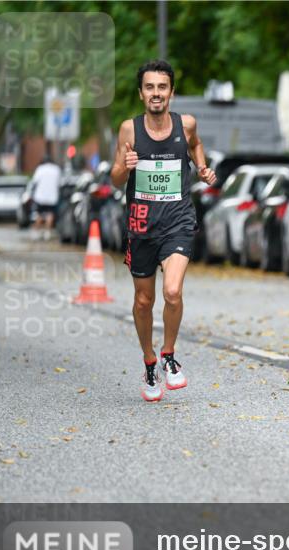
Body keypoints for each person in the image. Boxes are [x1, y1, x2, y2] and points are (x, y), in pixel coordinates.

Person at [110, 60, 216, 402]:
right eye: (150, 87)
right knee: (144, 301)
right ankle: (149, 361)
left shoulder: (186, 125)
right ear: (141, 93)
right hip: (141, 225)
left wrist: (201, 167)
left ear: (171, 92)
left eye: (163, 87)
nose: (157, 94)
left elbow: (196, 145)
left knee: (172, 291)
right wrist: (123, 169)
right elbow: (113, 177)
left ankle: (169, 355)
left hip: (178, 221)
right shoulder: (129, 130)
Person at [30, 156, 62, 240]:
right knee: (50, 215)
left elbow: (34, 182)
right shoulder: (56, 169)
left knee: (39, 215)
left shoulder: (40, 169)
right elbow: (59, 183)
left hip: (40, 196)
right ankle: (47, 232)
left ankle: (36, 232)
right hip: (52, 197)